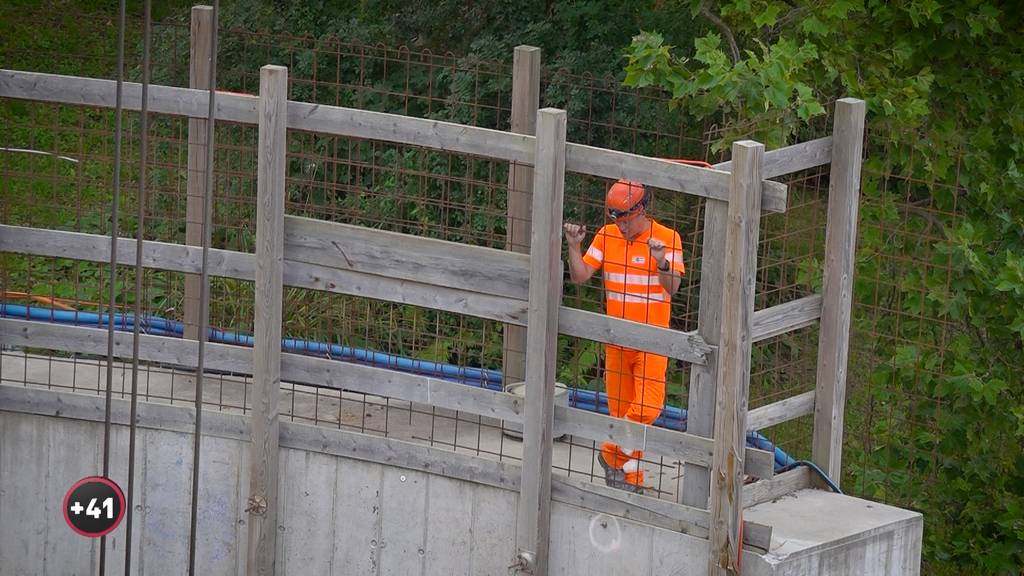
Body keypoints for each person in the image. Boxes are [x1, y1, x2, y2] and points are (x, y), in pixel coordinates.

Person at [563, 179, 685, 494]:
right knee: (623, 416)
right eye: (614, 217)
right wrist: (574, 246)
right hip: (616, 340)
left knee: (647, 408)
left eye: (625, 218)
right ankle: (631, 482)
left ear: (641, 209)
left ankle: (609, 455)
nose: (619, 225)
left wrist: (661, 261)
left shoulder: (667, 238)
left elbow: (672, 288)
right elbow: (580, 276)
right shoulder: (606, 236)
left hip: (653, 341)